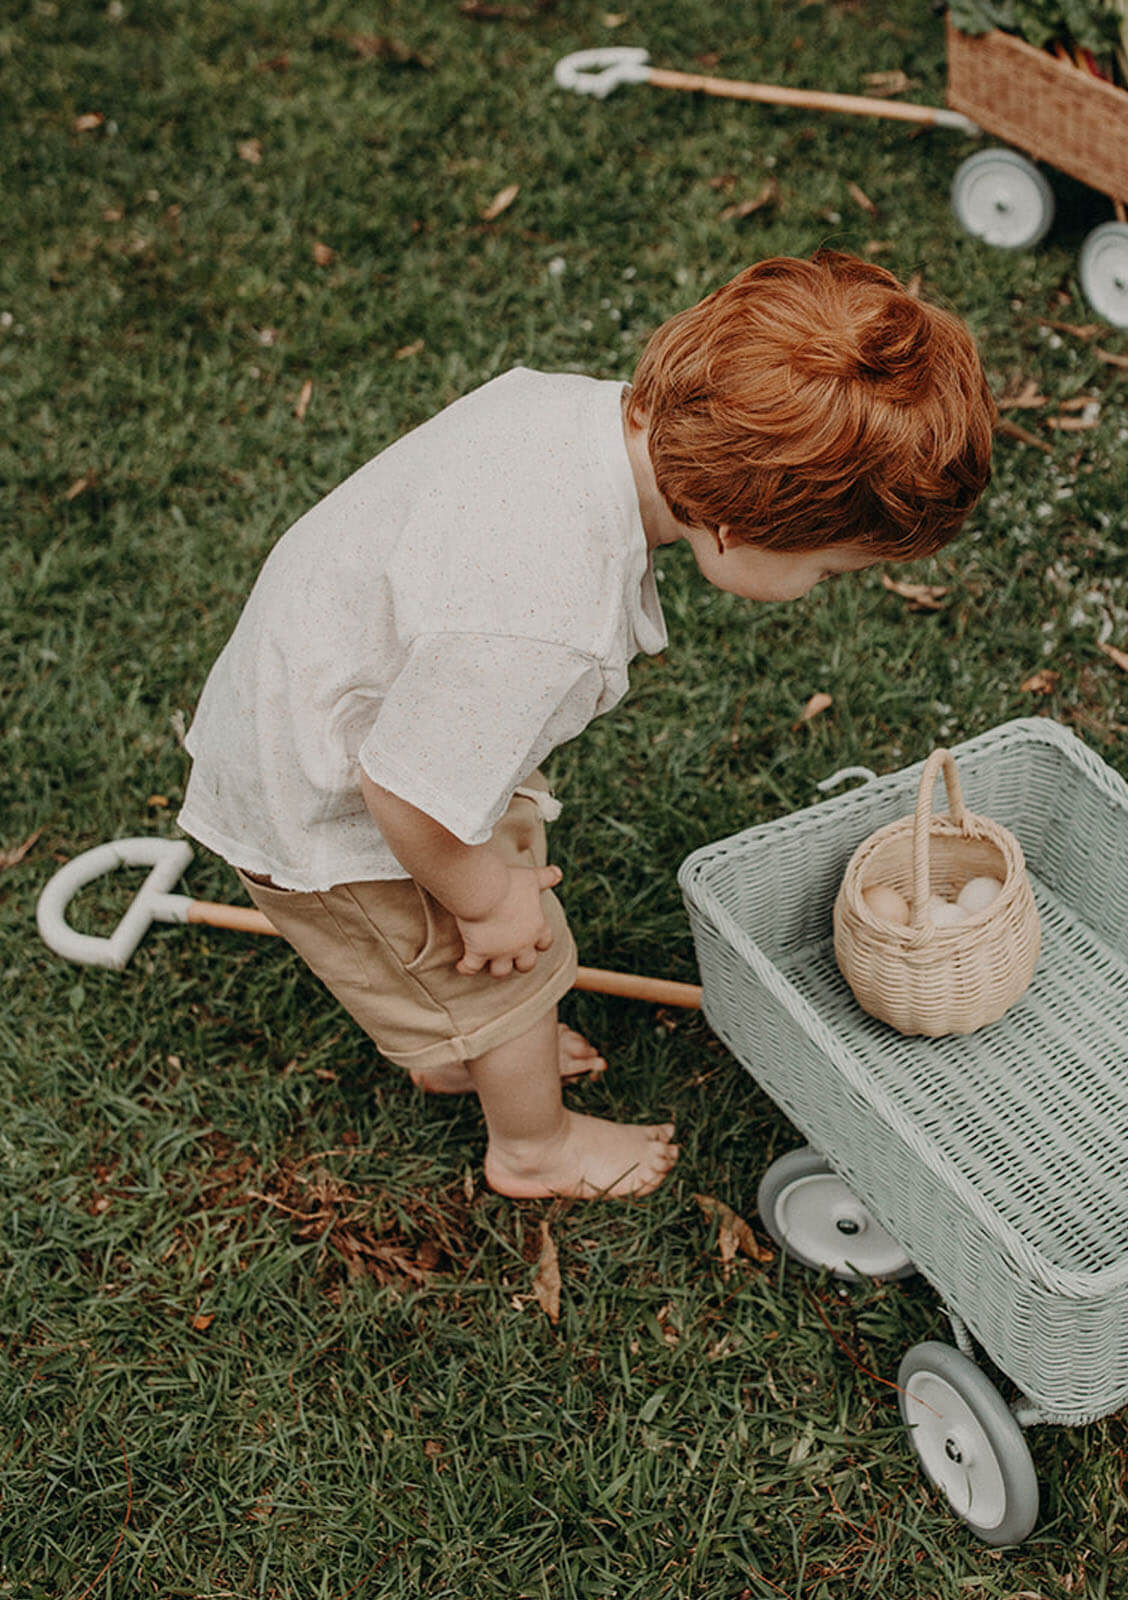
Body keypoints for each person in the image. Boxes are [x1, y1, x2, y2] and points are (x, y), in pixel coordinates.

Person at [176, 249, 997, 1200]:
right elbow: (403, 789)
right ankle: (533, 1148)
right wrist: (486, 902)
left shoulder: (584, 416)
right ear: (734, 528)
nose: (821, 590)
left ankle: (462, 1047)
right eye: (829, 569)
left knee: (483, 919)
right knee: (511, 966)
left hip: (344, 698)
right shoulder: (541, 616)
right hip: (330, 796)